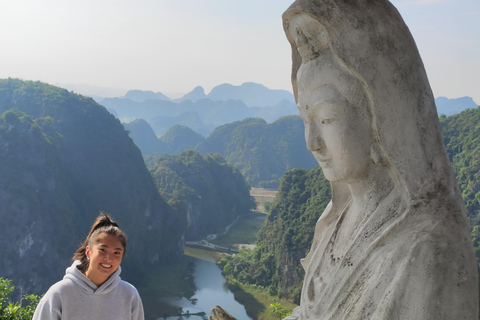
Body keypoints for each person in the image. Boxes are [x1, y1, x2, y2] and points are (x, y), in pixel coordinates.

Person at [282, 0, 478, 319]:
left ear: (379, 122)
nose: (312, 143)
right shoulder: (332, 222)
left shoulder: (424, 248)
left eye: (327, 119)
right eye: (306, 119)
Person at [32, 212, 145, 320]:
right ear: (88, 251)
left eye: (116, 252)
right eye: (102, 250)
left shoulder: (129, 295)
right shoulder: (59, 294)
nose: (108, 258)